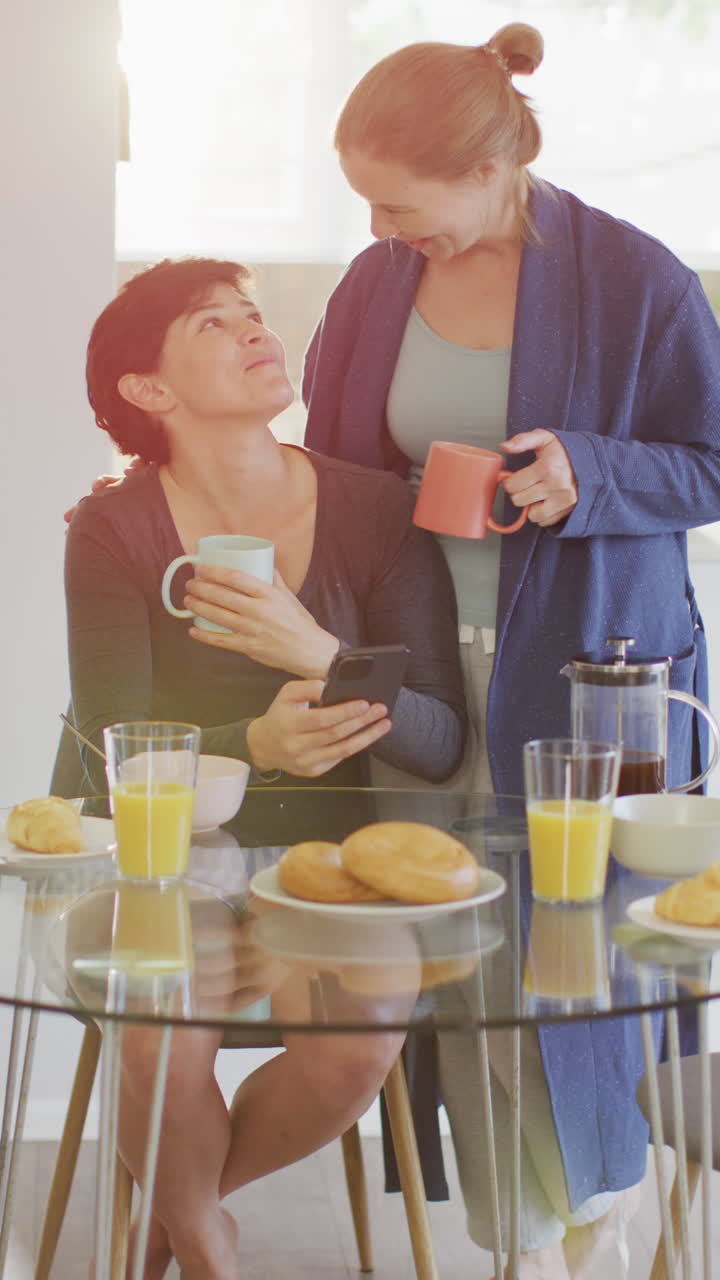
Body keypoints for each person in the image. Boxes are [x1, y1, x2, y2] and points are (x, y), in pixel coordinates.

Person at [301, 19, 720, 1278]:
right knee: (460, 960)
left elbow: (712, 461)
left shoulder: (636, 279)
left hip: (594, 669)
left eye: (399, 201)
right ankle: (519, 1240)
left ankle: (594, 1199)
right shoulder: (378, 283)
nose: (381, 227)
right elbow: (326, 466)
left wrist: (587, 472)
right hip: (423, 666)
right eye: (365, 201)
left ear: (492, 169)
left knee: (570, 969)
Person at [63, 256, 465, 1278]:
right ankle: (205, 1247)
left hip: (328, 861)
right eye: (212, 323)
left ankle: (185, 1213)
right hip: (165, 861)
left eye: (253, 313)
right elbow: (114, 743)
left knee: (359, 1044)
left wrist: (315, 651)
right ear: (147, 391)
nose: (257, 330)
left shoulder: (377, 511)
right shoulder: (112, 529)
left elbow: (438, 736)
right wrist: (257, 747)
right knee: (159, 1037)